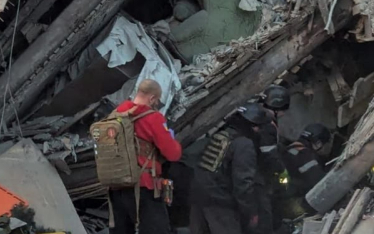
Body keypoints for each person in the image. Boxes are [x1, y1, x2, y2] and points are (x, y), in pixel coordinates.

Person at [109, 79, 182, 234]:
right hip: (143, 186)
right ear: (152, 98)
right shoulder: (153, 118)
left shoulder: (117, 113)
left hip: (116, 184)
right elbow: (173, 154)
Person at [190, 104, 270, 234]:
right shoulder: (244, 145)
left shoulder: (221, 135)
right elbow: (243, 183)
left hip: (199, 198)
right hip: (220, 204)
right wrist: (250, 212)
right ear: (254, 126)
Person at [256, 85, 290, 232]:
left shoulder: (258, 114)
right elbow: (268, 154)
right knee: (264, 213)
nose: (283, 114)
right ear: (278, 108)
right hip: (256, 175)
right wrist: (282, 171)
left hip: (249, 171)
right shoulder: (267, 125)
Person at [281, 123, 331, 210]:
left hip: (279, 197)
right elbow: (320, 182)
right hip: (290, 203)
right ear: (318, 143)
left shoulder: (289, 149)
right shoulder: (305, 156)